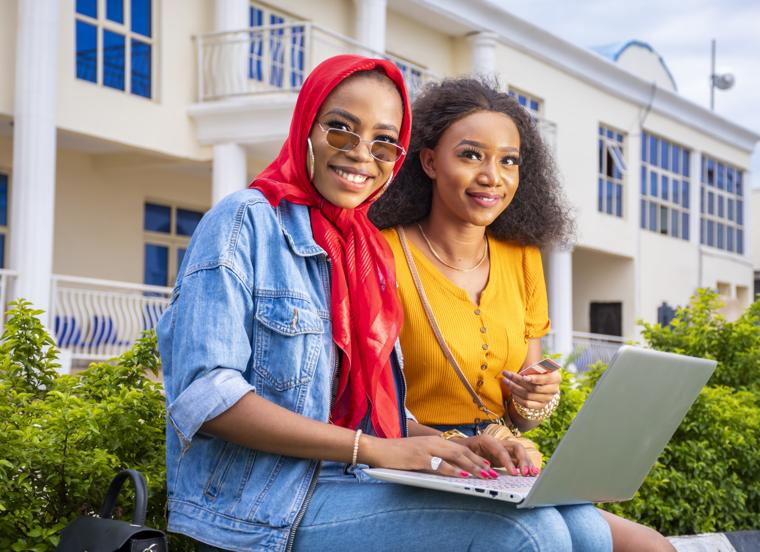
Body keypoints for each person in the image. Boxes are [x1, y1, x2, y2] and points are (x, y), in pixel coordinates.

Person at [157, 56, 612, 552]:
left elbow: (369, 411)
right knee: (530, 533)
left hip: (354, 477)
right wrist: (372, 448)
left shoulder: (363, 247)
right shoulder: (246, 220)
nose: (360, 155)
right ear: (305, 126)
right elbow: (206, 397)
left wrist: (456, 446)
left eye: (382, 141)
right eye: (340, 130)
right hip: (268, 498)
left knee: (586, 531)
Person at [369, 77, 675, 552]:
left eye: (509, 160)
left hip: (507, 461)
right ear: (429, 161)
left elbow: (524, 416)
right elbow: (364, 407)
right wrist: (459, 444)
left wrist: (536, 398)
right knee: (566, 537)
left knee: (650, 546)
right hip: (422, 462)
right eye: (471, 155)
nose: (494, 175)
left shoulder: (523, 257)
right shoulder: (382, 254)